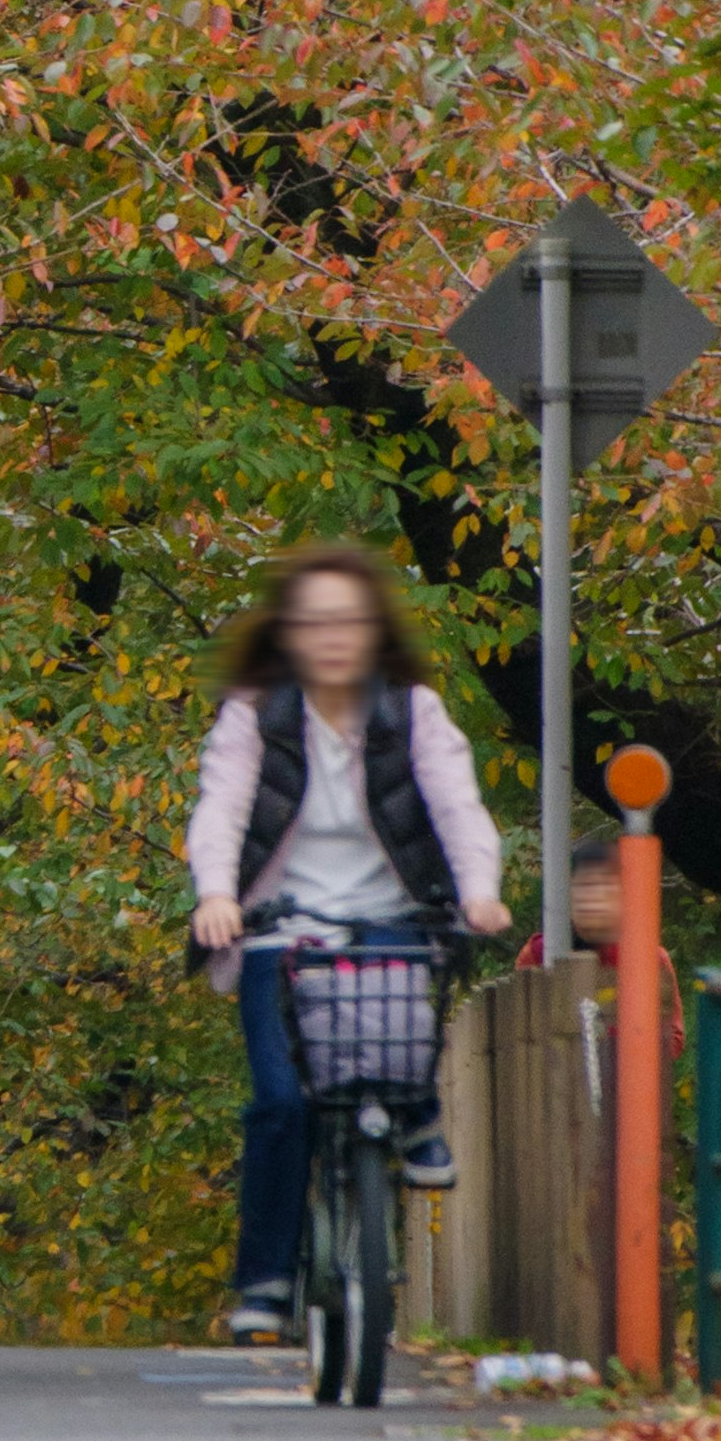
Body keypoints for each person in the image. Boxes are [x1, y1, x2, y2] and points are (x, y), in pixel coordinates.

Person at [187, 545, 511, 1347]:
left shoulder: (413, 711)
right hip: (280, 928)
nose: (333, 636)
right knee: (280, 1101)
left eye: (349, 620)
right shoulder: (257, 711)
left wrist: (478, 889)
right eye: (315, 621)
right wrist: (217, 894)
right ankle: (264, 1276)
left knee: (398, 1028)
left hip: (393, 917)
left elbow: (458, 805)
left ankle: (415, 1110)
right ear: (289, 634)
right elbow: (222, 807)